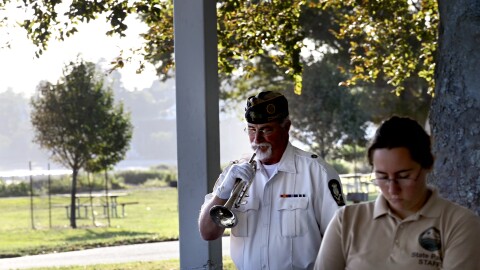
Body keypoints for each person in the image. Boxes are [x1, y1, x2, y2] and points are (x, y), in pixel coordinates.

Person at [198, 91, 346, 270]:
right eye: (251, 130)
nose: (257, 139)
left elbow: (340, 241)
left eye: (266, 130)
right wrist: (223, 191)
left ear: (286, 127)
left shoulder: (317, 172)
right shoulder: (235, 172)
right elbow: (208, 233)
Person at [314, 116, 480, 270]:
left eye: (404, 176)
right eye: (382, 177)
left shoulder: (460, 224)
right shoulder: (347, 220)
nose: (392, 189)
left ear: (428, 165)